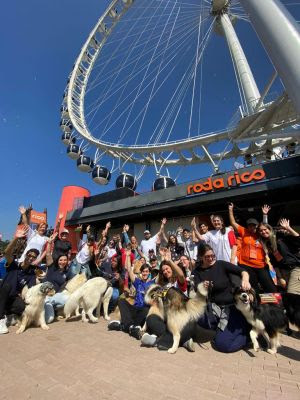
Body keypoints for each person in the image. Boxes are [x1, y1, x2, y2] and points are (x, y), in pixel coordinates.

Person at [193, 245, 251, 353]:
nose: (211, 259)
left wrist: (245, 280)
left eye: (212, 256)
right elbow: (196, 289)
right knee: (194, 319)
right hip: (213, 309)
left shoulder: (221, 264)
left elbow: (243, 271)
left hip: (231, 308)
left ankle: (248, 336)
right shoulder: (197, 272)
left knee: (223, 345)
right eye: (207, 257)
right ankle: (222, 331)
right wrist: (202, 286)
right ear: (201, 257)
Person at [141, 248, 190, 349]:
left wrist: (169, 260)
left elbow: (181, 274)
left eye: (167, 269)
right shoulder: (164, 286)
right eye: (163, 271)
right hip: (166, 316)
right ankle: (182, 341)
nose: (165, 272)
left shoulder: (178, 282)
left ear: (172, 268)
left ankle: (159, 338)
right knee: (150, 317)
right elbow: (153, 299)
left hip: (179, 315)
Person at [228, 203, 277, 293]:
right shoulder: (244, 231)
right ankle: (257, 305)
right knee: (253, 288)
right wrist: (230, 210)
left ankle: (275, 305)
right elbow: (233, 223)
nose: (252, 227)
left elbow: (266, 227)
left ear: (257, 226)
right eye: (250, 225)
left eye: (254, 225)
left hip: (261, 265)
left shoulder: (260, 234)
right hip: (246, 265)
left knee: (270, 287)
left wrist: (265, 214)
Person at [108, 249, 154, 339]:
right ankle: (130, 327)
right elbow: (129, 270)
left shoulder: (152, 283)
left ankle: (123, 326)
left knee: (146, 310)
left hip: (143, 310)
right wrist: (128, 256)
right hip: (134, 308)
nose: (145, 273)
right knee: (121, 301)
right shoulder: (138, 282)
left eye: (146, 271)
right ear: (141, 273)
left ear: (149, 273)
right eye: (143, 271)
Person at [0, 226, 38, 334]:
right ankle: (1, 319)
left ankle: (6, 313)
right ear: (25, 255)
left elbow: (30, 291)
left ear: (35, 259)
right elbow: (7, 253)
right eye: (29, 255)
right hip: (2, 292)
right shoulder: (14, 264)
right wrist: (16, 238)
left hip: (12, 298)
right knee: (6, 286)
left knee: (21, 306)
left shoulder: (31, 274)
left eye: (33, 257)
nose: (31, 258)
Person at [258, 219, 300, 294]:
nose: (263, 232)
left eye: (265, 229)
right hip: (284, 272)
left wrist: (288, 228)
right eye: (261, 231)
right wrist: (280, 277)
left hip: (295, 268)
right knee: (290, 294)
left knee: (292, 293)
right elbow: (275, 263)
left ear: (269, 229)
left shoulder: (280, 235)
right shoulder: (268, 245)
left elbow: (298, 240)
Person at [43, 232, 69, 323]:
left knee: (68, 299)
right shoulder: (52, 267)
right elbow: (48, 255)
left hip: (55, 297)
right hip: (45, 296)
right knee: (49, 320)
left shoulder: (67, 273)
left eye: (65, 260)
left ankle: (54, 309)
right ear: (57, 261)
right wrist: (50, 243)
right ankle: (48, 310)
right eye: (61, 260)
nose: (63, 262)